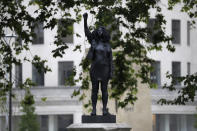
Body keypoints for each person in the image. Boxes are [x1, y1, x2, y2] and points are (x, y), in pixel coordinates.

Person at [83, 13, 113, 116]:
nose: (100, 31)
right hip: (95, 69)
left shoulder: (108, 45)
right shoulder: (93, 42)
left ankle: (104, 109)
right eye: (98, 30)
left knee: (104, 90)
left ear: (104, 32)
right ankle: (94, 109)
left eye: (101, 30)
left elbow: (111, 60)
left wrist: (111, 72)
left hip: (105, 70)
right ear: (96, 32)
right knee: (94, 90)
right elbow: (87, 32)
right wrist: (85, 20)